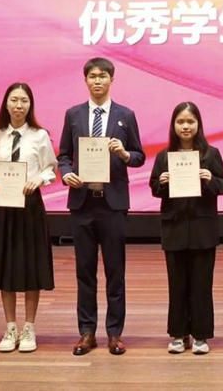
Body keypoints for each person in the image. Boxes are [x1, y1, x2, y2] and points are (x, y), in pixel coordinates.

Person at [59, 57, 145, 356]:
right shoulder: (73, 115)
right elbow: (64, 155)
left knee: (115, 271)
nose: (98, 81)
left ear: (112, 79)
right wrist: (65, 172)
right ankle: (86, 332)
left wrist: (124, 154)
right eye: (93, 76)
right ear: (86, 80)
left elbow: (139, 156)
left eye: (103, 76)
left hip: (113, 204)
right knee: (84, 272)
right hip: (82, 203)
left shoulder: (125, 115)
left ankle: (114, 333)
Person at [0, 82, 58, 353]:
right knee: (6, 266)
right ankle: (10, 327)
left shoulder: (40, 135)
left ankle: (29, 328)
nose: (19, 105)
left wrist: (39, 179)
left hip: (29, 206)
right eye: (14, 100)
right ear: (6, 103)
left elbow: (50, 168)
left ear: (30, 104)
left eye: (24, 100)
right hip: (3, 205)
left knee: (31, 266)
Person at [149, 102, 223, 355]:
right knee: (177, 285)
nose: (186, 126)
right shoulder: (164, 156)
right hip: (174, 227)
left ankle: (201, 335)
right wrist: (162, 182)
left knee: (201, 285)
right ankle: (178, 334)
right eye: (181, 122)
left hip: (203, 229)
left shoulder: (211, 154)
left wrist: (210, 179)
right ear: (173, 125)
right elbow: (154, 187)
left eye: (190, 122)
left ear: (198, 125)